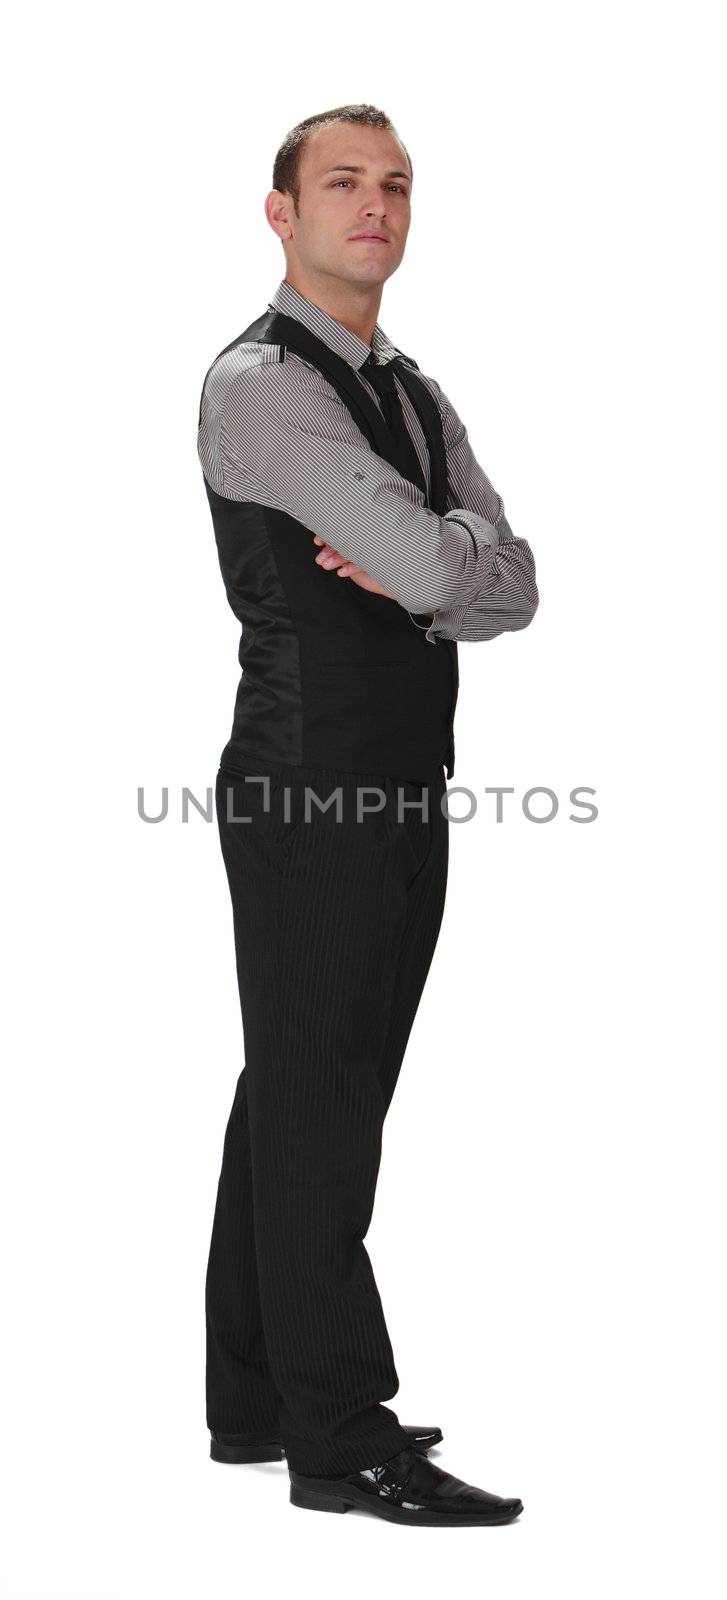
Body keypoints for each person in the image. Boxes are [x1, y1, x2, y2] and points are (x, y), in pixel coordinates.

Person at [196, 102, 538, 1527]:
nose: (375, 206)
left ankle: (258, 1394)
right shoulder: (268, 384)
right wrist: (439, 553)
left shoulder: (409, 386)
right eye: (342, 183)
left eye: (395, 185)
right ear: (282, 212)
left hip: (401, 782)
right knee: (324, 1111)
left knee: (297, 1091)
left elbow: (509, 582)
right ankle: (342, 1438)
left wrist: (442, 553)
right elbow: (430, 566)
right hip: (314, 788)